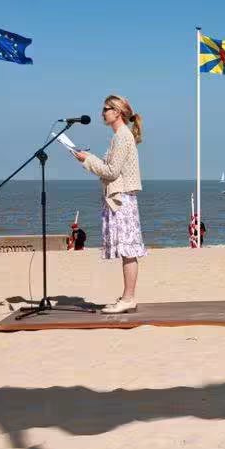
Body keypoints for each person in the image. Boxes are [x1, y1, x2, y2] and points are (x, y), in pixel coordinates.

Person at [74, 95, 146, 314]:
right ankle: (127, 297)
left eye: (106, 109)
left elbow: (112, 172)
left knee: (128, 250)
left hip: (122, 199)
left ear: (117, 112)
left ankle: (129, 298)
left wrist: (88, 160)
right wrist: (90, 158)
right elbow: (112, 168)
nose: (102, 113)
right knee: (127, 250)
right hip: (121, 198)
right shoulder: (120, 136)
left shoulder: (122, 136)